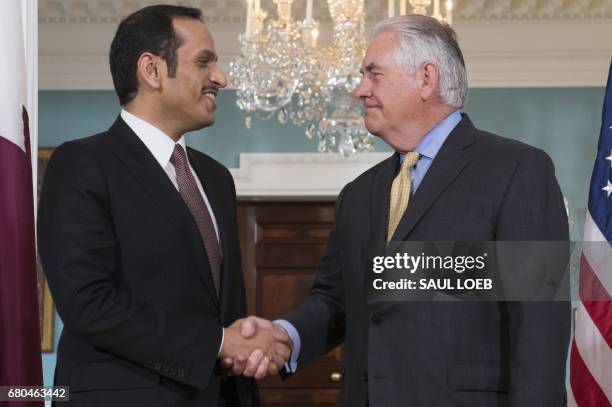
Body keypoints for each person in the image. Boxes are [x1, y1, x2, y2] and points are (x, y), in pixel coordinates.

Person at [228, 14, 571, 406]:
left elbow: (539, 324)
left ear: (426, 79)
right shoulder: (358, 194)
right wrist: (284, 336)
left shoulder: (517, 170)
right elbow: (336, 300)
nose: (360, 90)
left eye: (374, 74)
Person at [38, 5, 289, 407]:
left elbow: (223, 307)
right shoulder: (82, 164)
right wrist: (219, 343)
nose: (221, 78)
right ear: (152, 70)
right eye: (204, 62)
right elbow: (88, 303)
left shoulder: (216, 179)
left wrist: (245, 344)